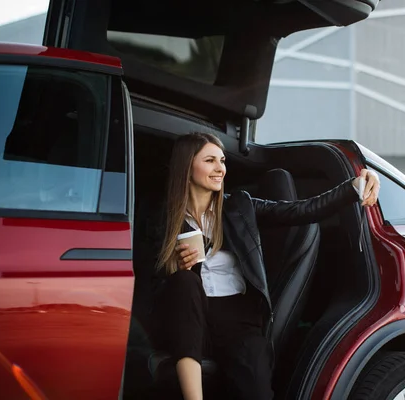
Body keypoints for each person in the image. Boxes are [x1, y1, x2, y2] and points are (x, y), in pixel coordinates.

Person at [152, 132, 380, 400]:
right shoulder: (161, 217)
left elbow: (301, 210)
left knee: (256, 387)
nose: (220, 168)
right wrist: (173, 265)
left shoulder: (240, 206)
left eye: (222, 161)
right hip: (191, 313)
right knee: (184, 281)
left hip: (238, 319)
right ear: (187, 166)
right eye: (210, 160)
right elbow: (146, 278)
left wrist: (353, 187)